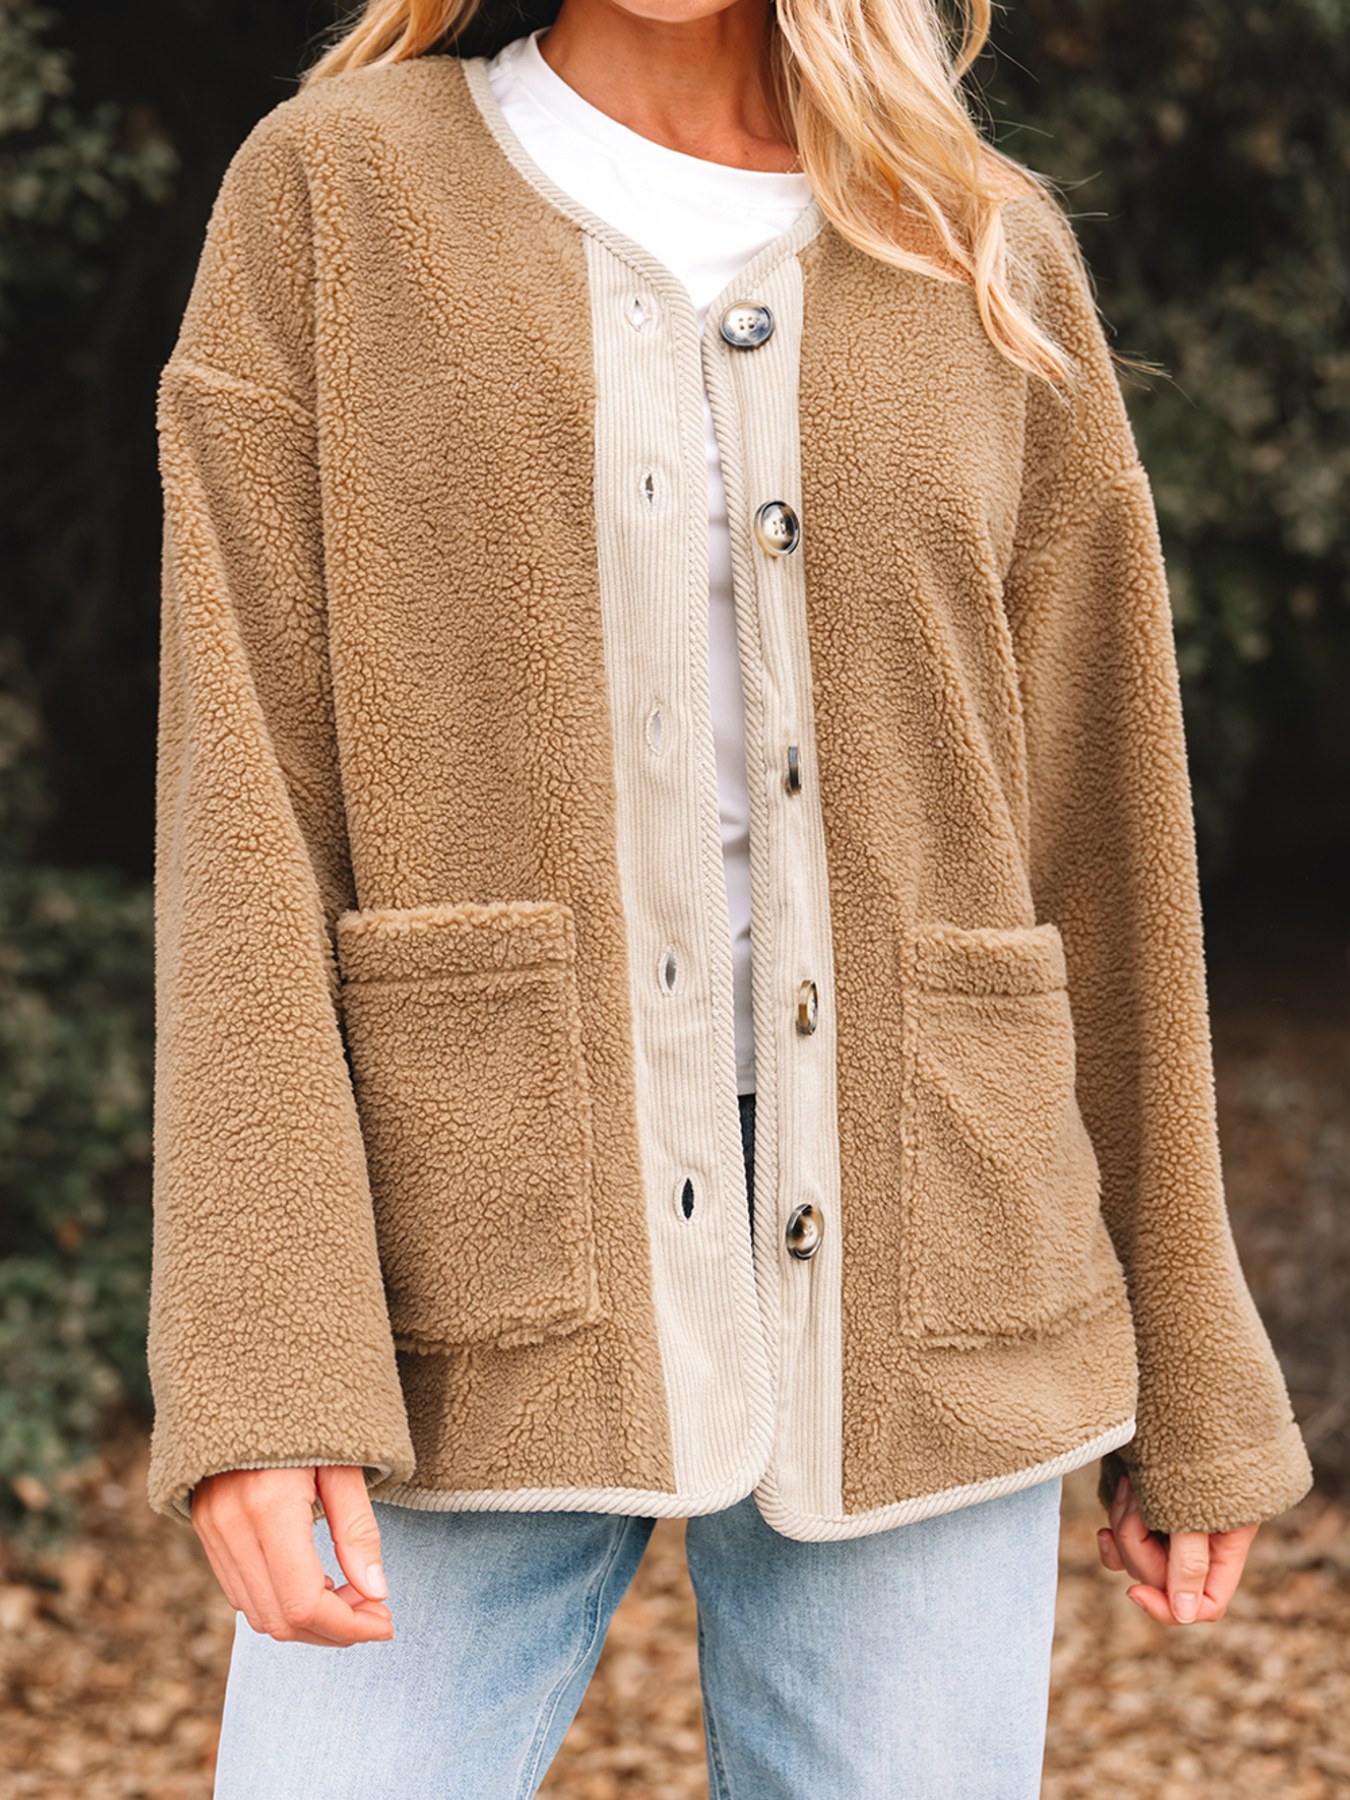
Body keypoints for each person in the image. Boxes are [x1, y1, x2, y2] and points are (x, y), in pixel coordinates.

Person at [149, 0, 1312, 1792]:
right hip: (461, 1256)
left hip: (939, 1258)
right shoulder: (339, 191)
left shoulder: (976, 241)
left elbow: (1102, 826)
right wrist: (261, 1358)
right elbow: (242, 800)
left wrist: (1194, 1360)